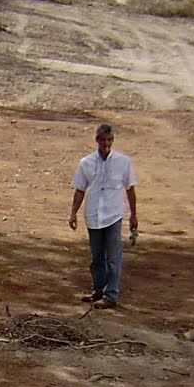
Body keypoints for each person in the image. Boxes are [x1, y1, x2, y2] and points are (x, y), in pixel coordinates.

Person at [67, 123, 138, 307]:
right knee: (97, 256)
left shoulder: (123, 162)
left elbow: (130, 189)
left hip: (113, 215)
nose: (106, 144)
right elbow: (80, 189)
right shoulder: (86, 163)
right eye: (103, 140)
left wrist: (133, 215)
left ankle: (110, 295)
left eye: (110, 140)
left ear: (112, 140)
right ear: (97, 140)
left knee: (113, 257)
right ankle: (98, 290)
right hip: (93, 215)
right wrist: (73, 213)